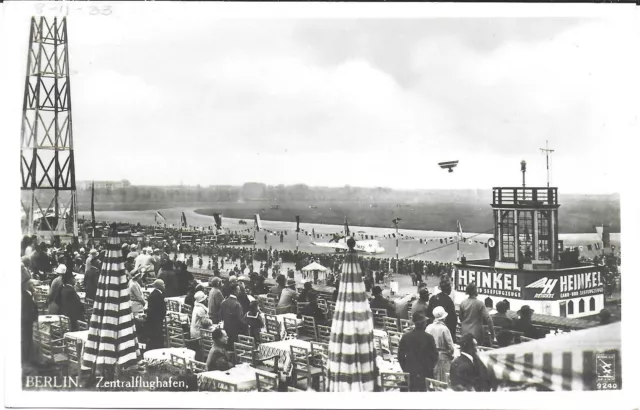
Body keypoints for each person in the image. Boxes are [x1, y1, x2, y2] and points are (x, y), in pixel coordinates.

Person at [397, 311, 439, 392]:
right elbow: (435, 356)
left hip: (410, 371)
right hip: (425, 372)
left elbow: (400, 356)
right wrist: (430, 367)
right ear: (423, 324)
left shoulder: (406, 337)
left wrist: (405, 368)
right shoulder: (429, 338)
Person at [426, 306, 455, 383]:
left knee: (433, 379)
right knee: (443, 380)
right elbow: (451, 347)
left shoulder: (429, 327)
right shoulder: (444, 329)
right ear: (443, 318)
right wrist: (450, 354)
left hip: (430, 356)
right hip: (442, 358)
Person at [220, 283, 245, 349]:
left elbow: (221, 316)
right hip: (235, 334)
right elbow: (240, 320)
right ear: (234, 291)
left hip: (226, 331)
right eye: (238, 290)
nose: (239, 292)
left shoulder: (224, 302)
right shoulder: (237, 304)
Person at [146, 279, 167, 350]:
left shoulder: (155, 294)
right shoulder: (158, 295)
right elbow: (160, 308)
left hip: (154, 318)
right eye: (163, 284)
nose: (164, 285)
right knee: (156, 335)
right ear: (160, 286)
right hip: (156, 319)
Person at [22, 278, 39, 364]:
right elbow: (28, 310)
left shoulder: (28, 294)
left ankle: (28, 358)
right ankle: (26, 359)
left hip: (28, 321)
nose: (35, 287)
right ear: (29, 286)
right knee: (26, 339)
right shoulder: (26, 296)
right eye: (33, 285)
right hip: (26, 321)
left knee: (28, 338)